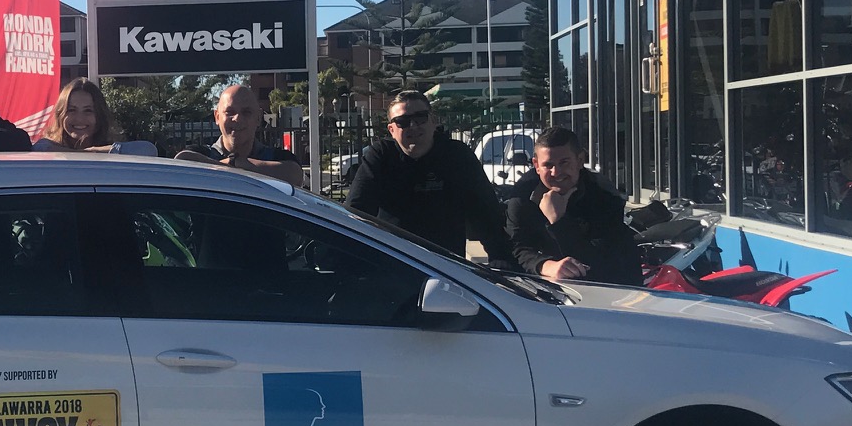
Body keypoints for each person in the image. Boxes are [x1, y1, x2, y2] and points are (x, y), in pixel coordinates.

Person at [344, 90, 516, 264]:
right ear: (391, 130)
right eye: (403, 121)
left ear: (433, 121)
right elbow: (357, 210)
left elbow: (484, 210)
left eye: (420, 118)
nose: (413, 126)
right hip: (393, 262)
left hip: (446, 265)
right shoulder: (381, 156)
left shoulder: (456, 155)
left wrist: (499, 255)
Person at [505, 125, 642, 284]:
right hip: (540, 289)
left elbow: (602, 261)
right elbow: (516, 247)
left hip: (602, 289)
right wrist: (546, 266)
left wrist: (559, 221)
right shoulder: (522, 196)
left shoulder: (603, 196)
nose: (556, 172)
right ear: (536, 165)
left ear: (580, 160)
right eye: (548, 165)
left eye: (564, 162)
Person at [172, 82, 303, 187]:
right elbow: (180, 162)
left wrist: (237, 164)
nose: (237, 119)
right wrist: (234, 164)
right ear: (217, 117)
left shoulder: (278, 157)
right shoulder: (200, 153)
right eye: (229, 112)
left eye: (246, 112)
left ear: (258, 118)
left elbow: (295, 175)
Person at [32, 80, 158, 156]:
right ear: (60, 114)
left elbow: (148, 150)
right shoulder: (48, 147)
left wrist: (94, 152)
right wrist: (85, 155)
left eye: (88, 111)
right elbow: (40, 148)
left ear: (99, 115)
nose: (79, 119)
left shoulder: (110, 149)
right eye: (71, 110)